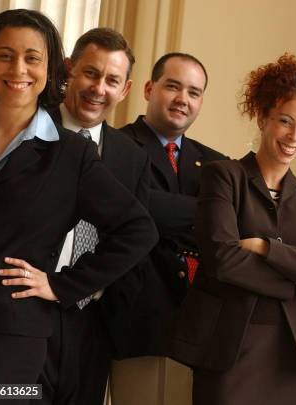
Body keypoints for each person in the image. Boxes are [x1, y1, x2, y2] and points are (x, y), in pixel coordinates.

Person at [0, 8, 157, 402]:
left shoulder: (71, 153)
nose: (18, 68)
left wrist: (60, 285)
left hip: (13, 341)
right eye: (5, 55)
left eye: (32, 57)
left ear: (50, 68)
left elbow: (138, 229)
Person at [169, 54, 296, 405]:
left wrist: (265, 248)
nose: (295, 136)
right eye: (285, 121)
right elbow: (221, 259)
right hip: (231, 350)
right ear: (262, 117)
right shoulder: (223, 177)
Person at [39, 27, 151, 405]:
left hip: (94, 324)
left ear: (126, 89)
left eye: (112, 80)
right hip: (26, 313)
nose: (98, 88)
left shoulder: (132, 156)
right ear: (69, 69)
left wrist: (109, 305)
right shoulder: (32, 131)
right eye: (91, 73)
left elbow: (136, 242)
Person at [116, 53, 227, 404]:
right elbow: (137, 213)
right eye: (173, 86)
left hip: (199, 326)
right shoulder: (116, 146)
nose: (183, 99)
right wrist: (210, 213)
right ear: (149, 88)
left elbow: (228, 231)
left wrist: (164, 212)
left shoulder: (216, 163)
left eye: (194, 92)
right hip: (139, 321)